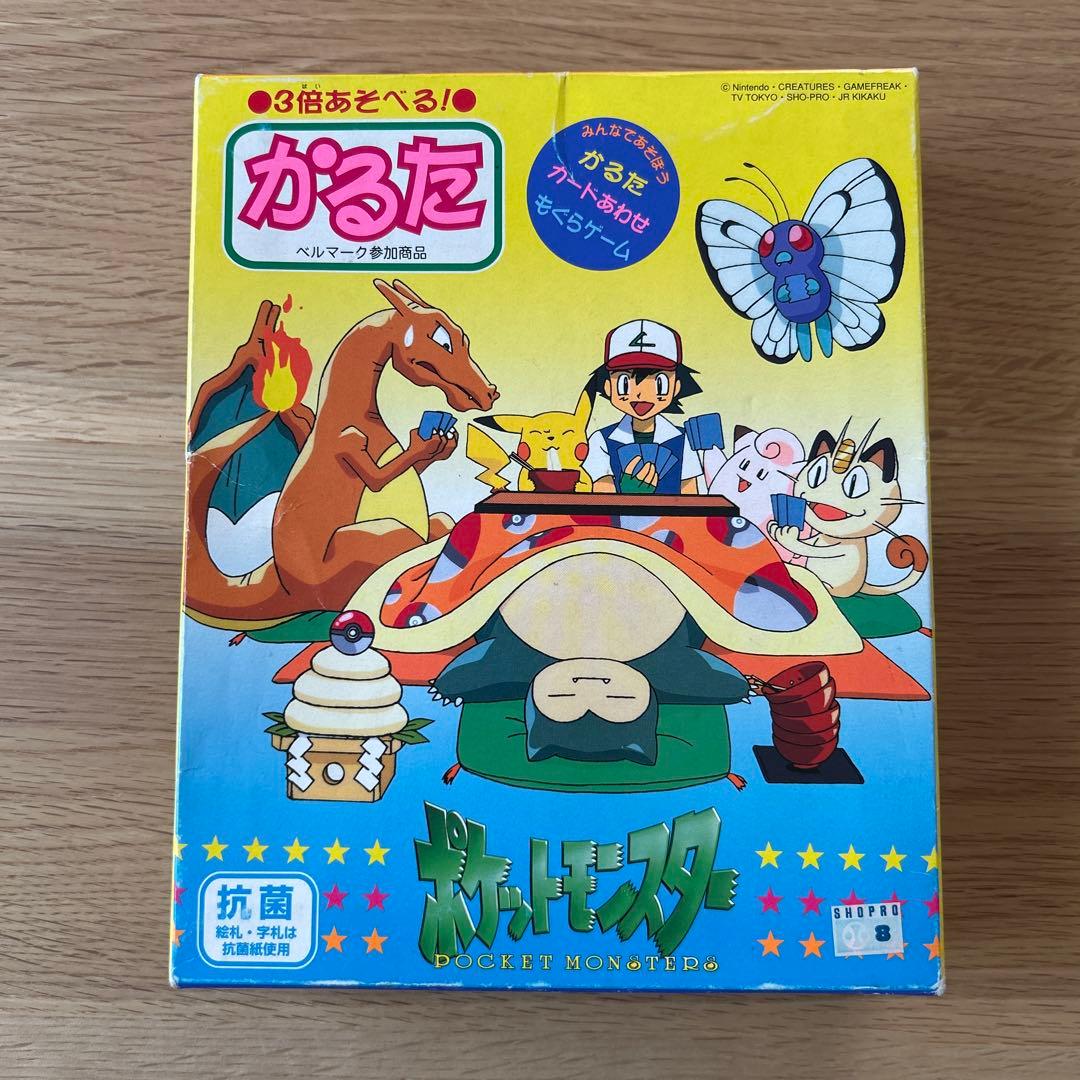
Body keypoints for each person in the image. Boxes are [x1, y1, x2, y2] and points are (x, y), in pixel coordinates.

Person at [583, 319, 704, 495]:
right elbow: (602, 496)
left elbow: (690, 496)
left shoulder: (684, 441)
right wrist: (628, 494)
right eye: (625, 382)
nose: (641, 394)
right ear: (608, 386)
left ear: (676, 387)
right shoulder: (600, 440)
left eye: (659, 382)